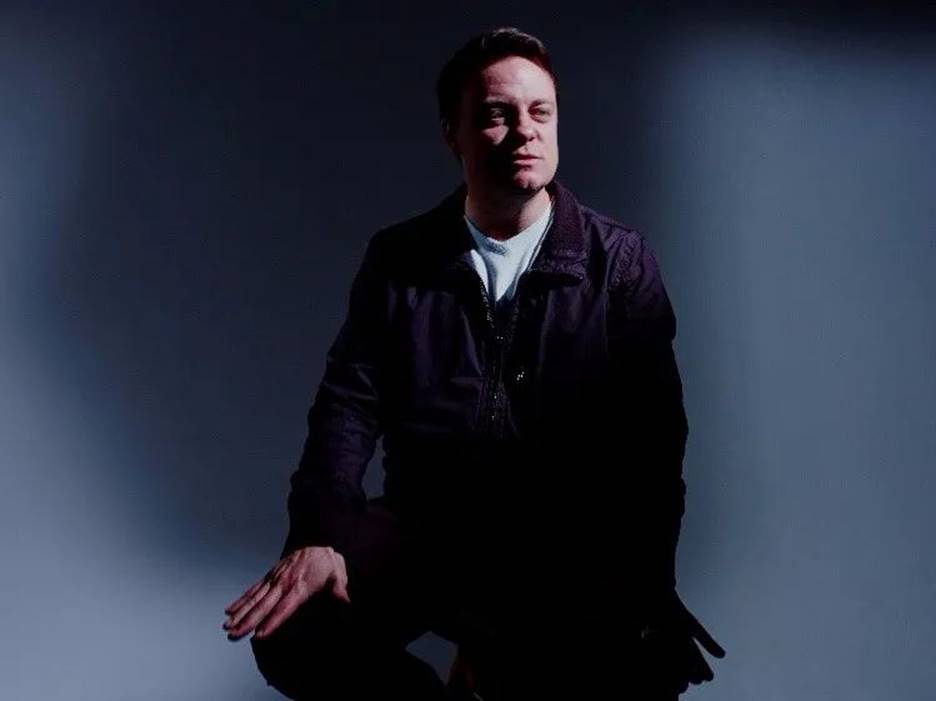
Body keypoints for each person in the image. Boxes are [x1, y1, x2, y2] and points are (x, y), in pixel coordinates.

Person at [222, 26, 725, 700]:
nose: (525, 131)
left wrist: (648, 583)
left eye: (540, 112)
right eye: (497, 114)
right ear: (452, 134)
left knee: (640, 669)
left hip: (562, 548)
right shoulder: (400, 257)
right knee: (293, 625)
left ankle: (507, 659)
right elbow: (347, 406)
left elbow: (655, 442)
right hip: (425, 531)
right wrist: (318, 535)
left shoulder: (618, 263)